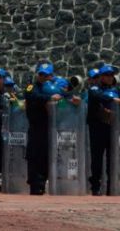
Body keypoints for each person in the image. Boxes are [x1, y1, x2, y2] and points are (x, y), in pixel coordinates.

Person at [24, 62, 79, 195]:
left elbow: (65, 94)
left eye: (47, 75)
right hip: (37, 126)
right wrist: (49, 97)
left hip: (51, 127)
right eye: (42, 74)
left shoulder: (54, 87)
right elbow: (31, 95)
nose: (44, 77)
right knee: (35, 156)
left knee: (47, 156)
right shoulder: (32, 87)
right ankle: (35, 184)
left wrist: (72, 98)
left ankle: (44, 183)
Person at [87, 64, 120, 196]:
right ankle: (95, 186)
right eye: (107, 75)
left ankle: (111, 186)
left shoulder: (116, 89)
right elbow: (98, 97)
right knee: (97, 158)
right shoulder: (95, 88)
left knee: (112, 158)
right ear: (101, 77)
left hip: (112, 128)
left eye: (111, 75)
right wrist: (113, 99)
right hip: (98, 127)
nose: (110, 78)